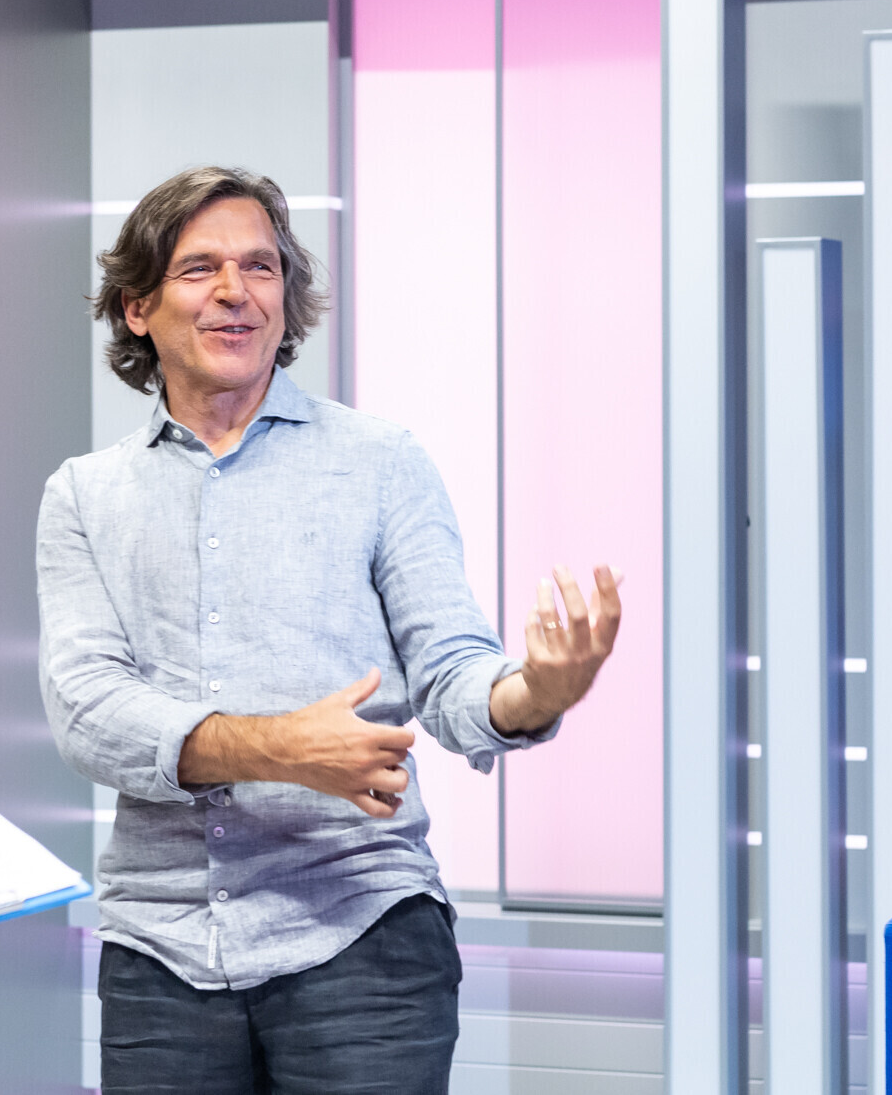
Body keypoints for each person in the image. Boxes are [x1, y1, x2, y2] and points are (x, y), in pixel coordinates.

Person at [36, 166, 621, 1094]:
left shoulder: (381, 462)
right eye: (200, 268)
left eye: (260, 266)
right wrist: (280, 748)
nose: (236, 290)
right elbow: (89, 712)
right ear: (138, 307)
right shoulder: (84, 494)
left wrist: (536, 691)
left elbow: (454, 673)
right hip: (161, 955)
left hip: (363, 940)